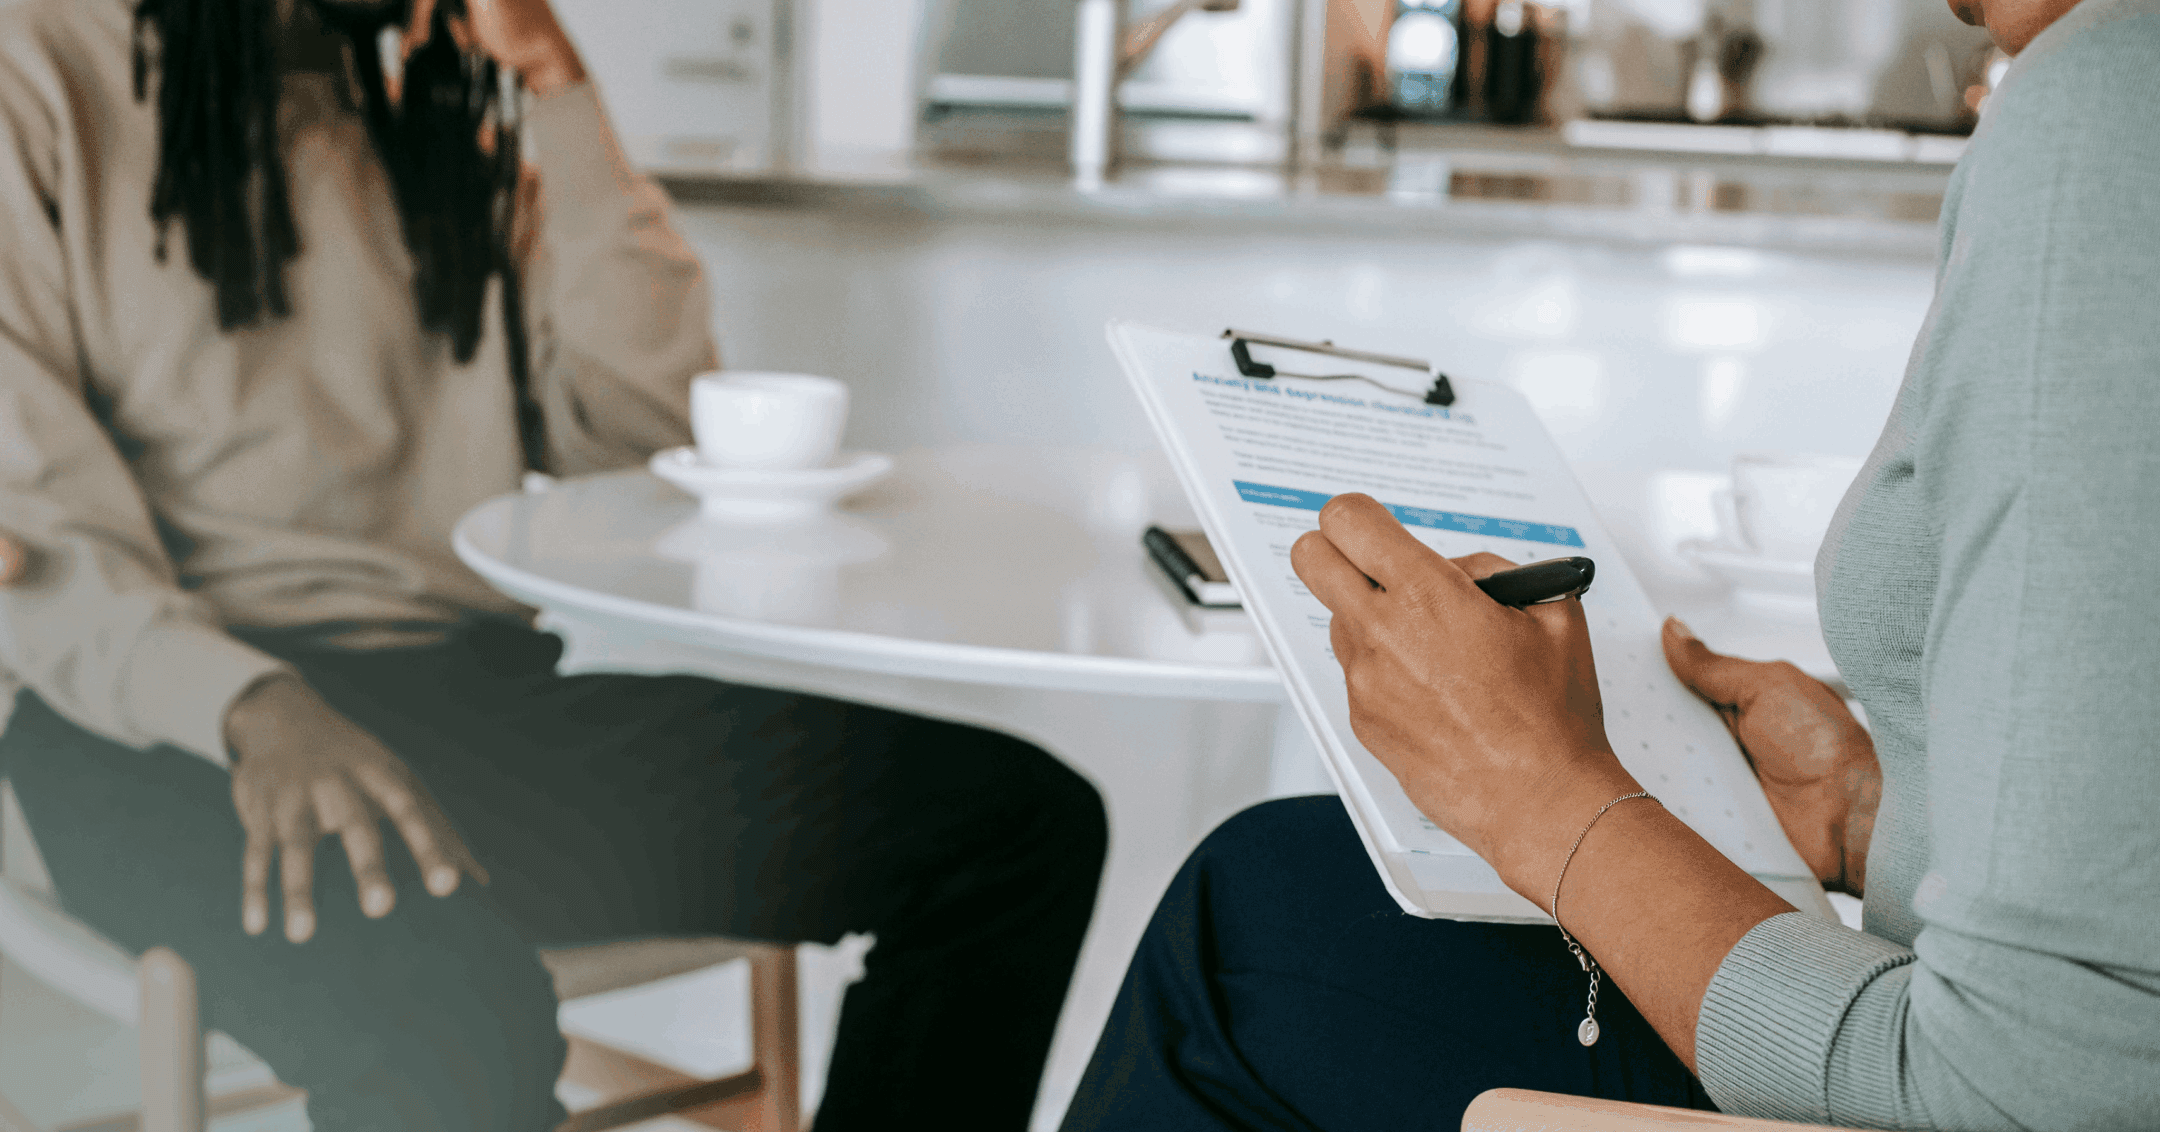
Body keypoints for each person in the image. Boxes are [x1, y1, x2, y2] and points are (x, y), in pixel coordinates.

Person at [0, 0, 1105, 1129]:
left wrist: (567, 103)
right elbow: (31, 525)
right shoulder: (35, 68)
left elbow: (635, 428)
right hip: (155, 726)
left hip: (461, 699)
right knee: (456, 1025)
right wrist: (252, 706)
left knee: (1015, 833)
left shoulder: (430, 103)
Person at [1061, 0, 2160, 1129]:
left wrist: (1545, 798)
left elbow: (2031, 1095)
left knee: (1255, 919)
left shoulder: (2109, 101)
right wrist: (1874, 820)